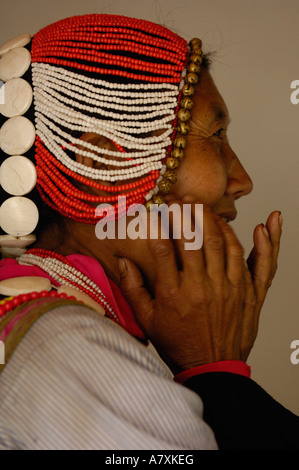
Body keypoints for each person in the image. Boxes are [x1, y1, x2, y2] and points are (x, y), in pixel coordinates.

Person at [0, 14, 298, 450]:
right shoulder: (71, 351)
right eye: (215, 135)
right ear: (98, 165)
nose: (242, 180)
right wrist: (218, 373)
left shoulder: (53, 328)